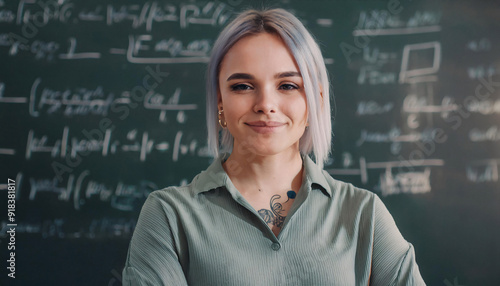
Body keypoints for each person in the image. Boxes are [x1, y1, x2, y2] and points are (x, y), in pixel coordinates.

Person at [122, 8, 426, 285]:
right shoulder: (169, 216)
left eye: (288, 86)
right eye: (242, 86)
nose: (266, 104)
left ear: (316, 101)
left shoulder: (364, 214)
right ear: (219, 100)